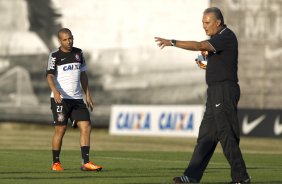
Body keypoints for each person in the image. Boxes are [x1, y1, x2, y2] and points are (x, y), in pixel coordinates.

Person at [155, 7, 250, 184]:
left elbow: (200, 45)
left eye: (207, 23)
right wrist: (207, 64)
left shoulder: (226, 36)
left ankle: (241, 177)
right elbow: (213, 58)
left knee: (226, 134)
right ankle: (191, 176)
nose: (204, 26)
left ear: (218, 22)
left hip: (224, 91)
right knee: (206, 136)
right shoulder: (217, 39)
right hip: (214, 92)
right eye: (203, 23)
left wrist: (172, 42)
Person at [46, 28, 103, 171]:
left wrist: (87, 94)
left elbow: (83, 74)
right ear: (60, 41)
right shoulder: (54, 55)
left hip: (77, 98)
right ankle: (56, 163)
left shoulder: (78, 53)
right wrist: (55, 91)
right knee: (61, 129)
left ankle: (86, 162)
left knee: (86, 126)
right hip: (61, 99)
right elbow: (49, 76)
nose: (69, 41)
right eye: (65, 39)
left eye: (70, 38)